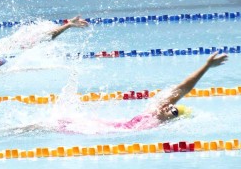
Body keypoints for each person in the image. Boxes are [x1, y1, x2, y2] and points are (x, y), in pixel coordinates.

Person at [57, 52, 228, 132]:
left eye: (174, 112)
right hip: (88, 125)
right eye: (171, 106)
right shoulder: (153, 113)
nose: (169, 108)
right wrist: (206, 67)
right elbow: (182, 89)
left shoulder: (155, 124)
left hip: (90, 130)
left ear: (172, 121)